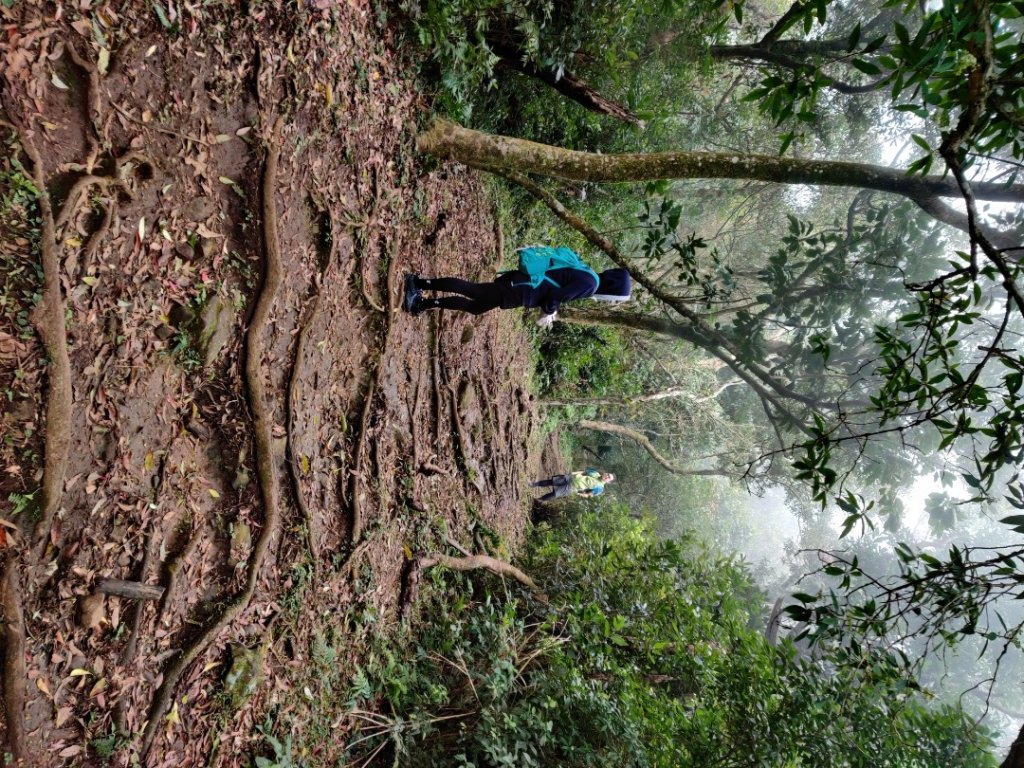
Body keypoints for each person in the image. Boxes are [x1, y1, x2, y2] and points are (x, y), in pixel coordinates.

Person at [403, 246, 631, 325]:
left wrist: (550, 309)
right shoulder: (590, 284)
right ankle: (418, 283)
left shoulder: (588, 273)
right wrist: (548, 314)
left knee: (476, 307)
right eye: (614, 298)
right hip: (521, 289)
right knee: (474, 292)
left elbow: (558, 288)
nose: (610, 301)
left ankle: (424, 303)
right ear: (612, 288)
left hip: (522, 284)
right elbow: (554, 298)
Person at [531, 469, 615, 502]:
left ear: (608, 482)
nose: (606, 476)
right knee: (551, 482)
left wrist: (580, 494)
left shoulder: (600, 488)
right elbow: (583, 472)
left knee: (555, 494)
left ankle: (538, 500)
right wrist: (572, 473)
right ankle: (533, 484)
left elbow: (590, 495)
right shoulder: (596, 473)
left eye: (609, 478)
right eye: (608, 474)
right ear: (605, 473)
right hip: (570, 478)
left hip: (572, 487)